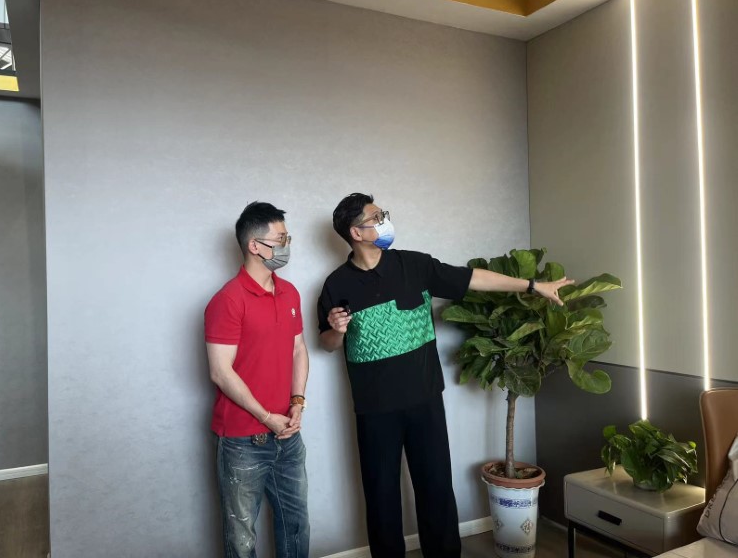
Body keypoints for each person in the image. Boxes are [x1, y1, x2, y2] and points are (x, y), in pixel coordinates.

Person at [317, 193, 571, 558]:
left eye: (383, 213)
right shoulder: (336, 284)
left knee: (436, 488)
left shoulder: (414, 265)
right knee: (381, 495)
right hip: (374, 409)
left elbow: (472, 278)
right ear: (356, 233)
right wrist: (337, 330)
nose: (385, 220)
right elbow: (327, 344)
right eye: (377, 217)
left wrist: (533, 286)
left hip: (424, 400)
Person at [205, 202, 310, 558]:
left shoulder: (290, 292)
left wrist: (297, 403)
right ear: (254, 245)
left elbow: (298, 350)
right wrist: (267, 417)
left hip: (289, 435)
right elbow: (220, 371)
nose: (287, 245)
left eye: (287, 238)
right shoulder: (228, 300)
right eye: (280, 239)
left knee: (296, 526)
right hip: (242, 441)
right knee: (242, 538)